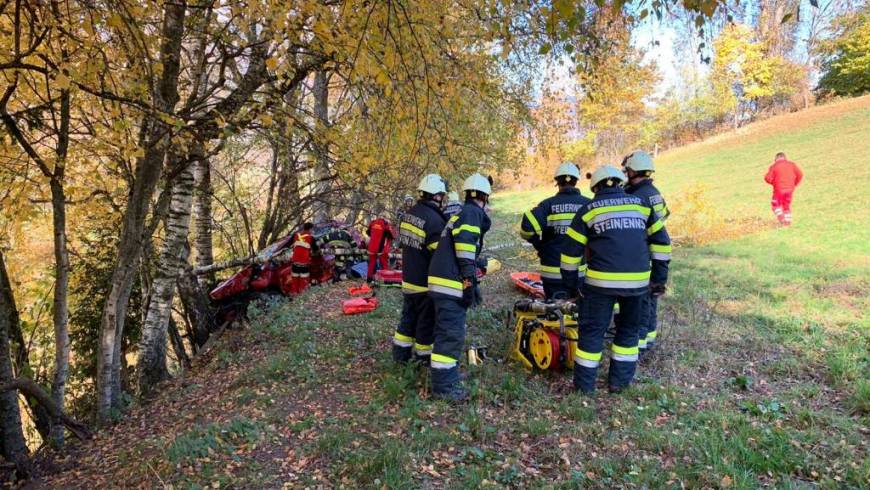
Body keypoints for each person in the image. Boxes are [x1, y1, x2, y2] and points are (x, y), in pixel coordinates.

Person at [560, 166, 671, 394]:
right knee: (629, 331)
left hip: (599, 285)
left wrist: (573, 287)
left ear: (596, 187)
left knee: (592, 333)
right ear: (620, 183)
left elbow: (570, 256)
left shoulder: (588, 210)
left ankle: (585, 388)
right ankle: (619, 384)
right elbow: (662, 244)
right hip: (638, 286)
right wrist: (658, 280)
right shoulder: (642, 206)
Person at [427, 173, 492, 402]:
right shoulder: (473, 213)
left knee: (446, 332)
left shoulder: (461, 213)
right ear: (484, 197)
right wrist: (468, 282)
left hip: (440, 281)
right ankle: (444, 388)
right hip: (449, 285)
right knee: (451, 335)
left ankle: (444, 377)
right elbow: (465, 248)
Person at [391, 174, 448, 365]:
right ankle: (423, 361)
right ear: (437, 196)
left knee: (407, 319)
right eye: (442, 196)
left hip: (408, 280)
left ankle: (400, 356)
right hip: (425, 283)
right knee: (425, 324)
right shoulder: (434, 220)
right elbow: (439, 254)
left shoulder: (408, 216)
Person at [520, 162, 590, 300]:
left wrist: (541, 246)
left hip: (552, 272)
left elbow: (526, 230)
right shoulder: (588, 205)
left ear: (557, 182)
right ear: (576, 181)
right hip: (579, 272)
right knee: (577, 313)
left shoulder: (547, 205)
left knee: (553, 314)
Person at [622, 150, 668, 355]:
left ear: (633, 171)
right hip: (655, 251)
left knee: (641, 301)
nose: (626, 173)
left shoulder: (637, 197)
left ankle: (638, 345)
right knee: (650, 299)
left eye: (628, 170)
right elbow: (664, 216)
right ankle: (648, 338)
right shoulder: (654, 192)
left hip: (642, 253)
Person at [764, 152, 803, 226]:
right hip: (790, 189)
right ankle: (788, 222)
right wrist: (795, 184)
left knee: (775, 204)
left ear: (776, 159)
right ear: (785, 158)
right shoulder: (792, 164)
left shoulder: (774, 166)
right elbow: (800, 174)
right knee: (786, 205)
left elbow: (767, 178)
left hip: (779, 189)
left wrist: (773, 183)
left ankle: (782, 219)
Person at [289, 222, 318, 294]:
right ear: (310, 229)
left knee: (294, 281)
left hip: (295, 262)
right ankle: (302, 298)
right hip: (304, 263)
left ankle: (294, 297)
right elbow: (316, 250)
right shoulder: (311, 238)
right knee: (303, 282)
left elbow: (287, 245)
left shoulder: (295, 235)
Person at [366, 215, 394, 282]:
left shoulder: (373, 222)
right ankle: (386, 279)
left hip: (372, 247)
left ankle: (369, 279)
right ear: (385, 217)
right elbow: (391, 235)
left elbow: (368, 232)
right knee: (384, 264)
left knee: (371, 264)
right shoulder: (386, 224)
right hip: (381, 248)